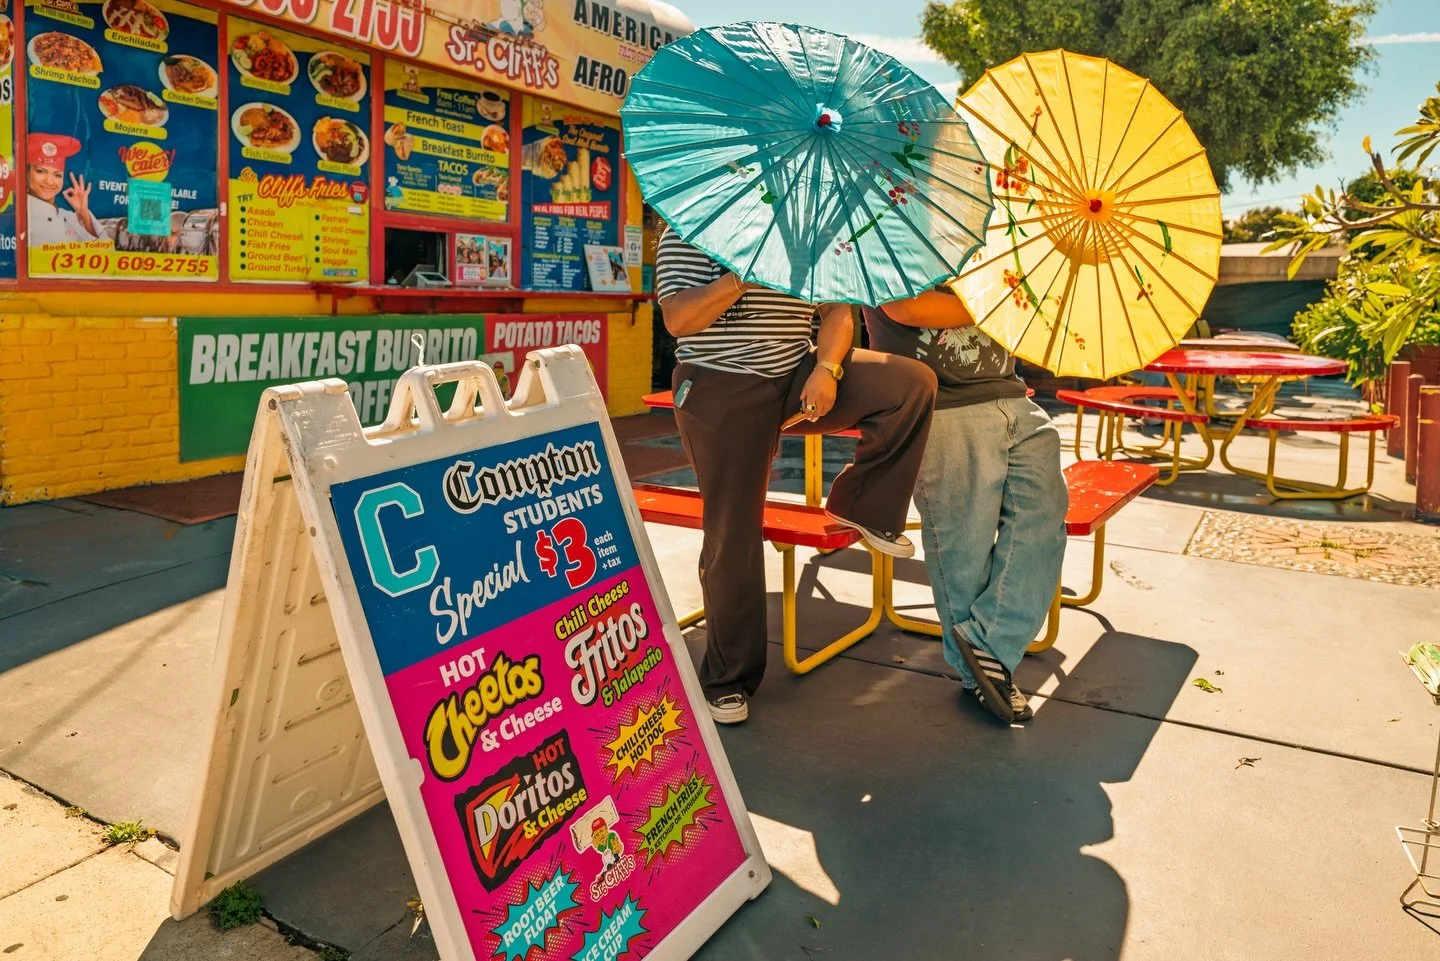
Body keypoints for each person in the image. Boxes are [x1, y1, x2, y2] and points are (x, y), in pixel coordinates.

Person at [655, 227, 937, 725]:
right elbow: (678, 319)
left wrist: (827, 368)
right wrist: (741, 276)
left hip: (794, 374)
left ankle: (862, 505)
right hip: (720, 384)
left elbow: (835, 313)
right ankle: (727, 677)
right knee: (733, 530)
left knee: (910, 383)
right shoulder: (693, 228)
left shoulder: (806, 229)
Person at [863, 285, 1067, 724]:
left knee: (1045, 522)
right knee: (964, 546)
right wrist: (1003, 293)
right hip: (945, 406)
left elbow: (1028, 309)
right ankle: (983, 675)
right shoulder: (887, 224)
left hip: (1015, 396)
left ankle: (987, 645)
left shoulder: (994, 234)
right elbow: (906, 308)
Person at [26, 134, 98, 247]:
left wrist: (83, 214)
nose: (49, 182)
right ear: (27, 173)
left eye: (57, 175)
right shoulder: (20, 215)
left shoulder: (69, 216)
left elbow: (107, 251)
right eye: (40, 171)